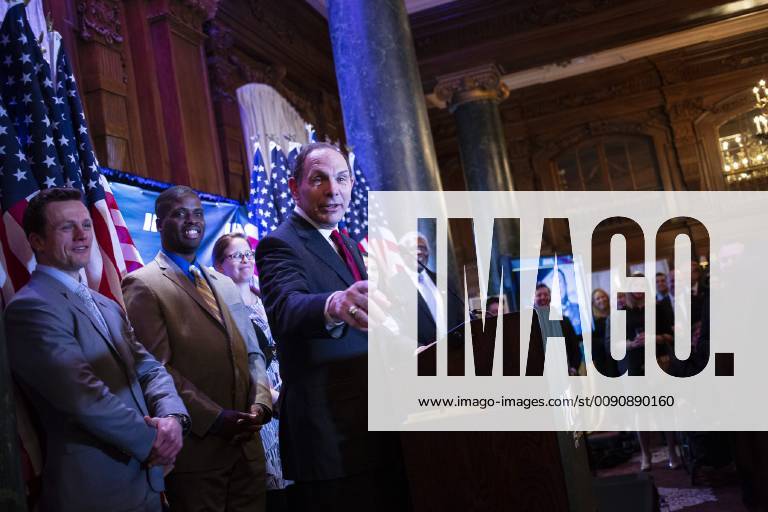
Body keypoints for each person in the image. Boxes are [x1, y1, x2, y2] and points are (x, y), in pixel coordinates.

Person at [6, 188, 188, 512]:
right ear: (36, 241)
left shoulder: (106, 304)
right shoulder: (30, 308)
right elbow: (83, 397)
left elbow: (150, 368)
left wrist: (172, 417)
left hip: (146, 483)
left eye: (87, 225)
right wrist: (155, 441)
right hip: (95, 492)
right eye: (66, 227)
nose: (82, 235)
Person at [255, 142, 409, 512]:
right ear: (295, 188)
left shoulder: (350, 244)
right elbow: (285, 308)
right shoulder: (280, 244)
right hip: (329, 438)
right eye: (319, 179)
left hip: (375, 425)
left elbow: (368, 318)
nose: (333, 190)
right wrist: (333, 303)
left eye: (341, 179)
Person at [122, 186, 272, 512]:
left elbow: (253, 353)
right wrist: (216, 418)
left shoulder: (224, 282)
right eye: (179, 213)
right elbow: (157, 368)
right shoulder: (143, 284)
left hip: (248, 446)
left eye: (198, 213)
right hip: (199, 451)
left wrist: (261, 404)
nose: (192, 220)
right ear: (159, 223)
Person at [212, 233, 290, 511]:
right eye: (236, 255)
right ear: (219, 266)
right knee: (272, 491)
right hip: (260, 401)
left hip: (290, 396)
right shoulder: (219, 310)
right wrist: (270, 397)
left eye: (248, 253)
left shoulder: (267, 300)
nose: (245, 260)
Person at [623, 273, 681, 472]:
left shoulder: (657, 308)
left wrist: (655, 338)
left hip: (658, 363)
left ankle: (672, 451)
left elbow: (671, 336)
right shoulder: (621, 312)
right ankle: (646, 455)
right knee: (641, 414)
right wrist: (632, 343)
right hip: (635, 365)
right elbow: (613, 345)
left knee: (665, 410)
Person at [534, 283, 582, 374]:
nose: (543, 297)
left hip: (567, 373)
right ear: (534, 299)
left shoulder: (564, 321)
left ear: (550, 297)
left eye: (546, 294)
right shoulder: (530, 325)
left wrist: (574, 367)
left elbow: (575, 347)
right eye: (539, 295)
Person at [590, 288, 617, 377]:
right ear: (594, 303)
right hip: (603, 360)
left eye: (603, 297)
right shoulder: (592, 321)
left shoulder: (616, 313)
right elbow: (592, 342)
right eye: (598, 299)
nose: (601, 300)